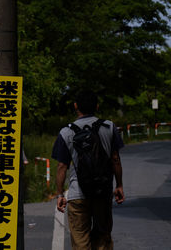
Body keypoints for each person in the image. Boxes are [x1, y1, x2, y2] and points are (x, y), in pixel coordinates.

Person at [51, 90, 125, 250]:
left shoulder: (66, 132)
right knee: (102, 238)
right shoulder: (109, 127)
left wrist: (59, 194)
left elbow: (62, 167)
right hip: (102, 192)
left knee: (80, 241)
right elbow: (115, 160)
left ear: (76, 106)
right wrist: (119, 185)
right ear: (97, 106)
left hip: (78, 195)